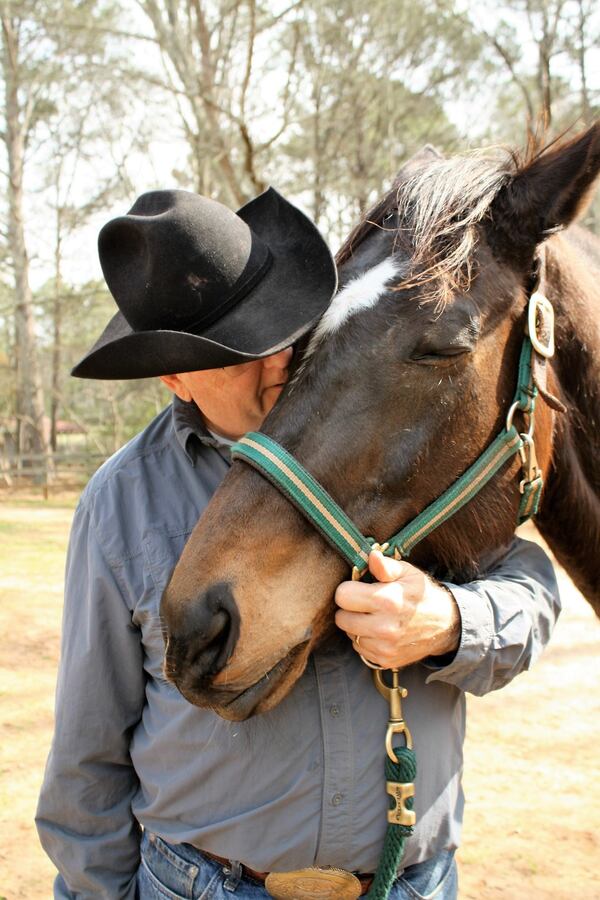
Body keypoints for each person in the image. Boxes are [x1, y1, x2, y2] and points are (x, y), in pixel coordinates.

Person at [36, 187, 560, 900]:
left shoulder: (376, 431)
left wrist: (450, 622)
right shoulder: (121, 503)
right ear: (172, 376)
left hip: (410, 883)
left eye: (279, 320)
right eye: (236, 348)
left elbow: (527, 580)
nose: (278, 355)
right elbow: (87, 759)